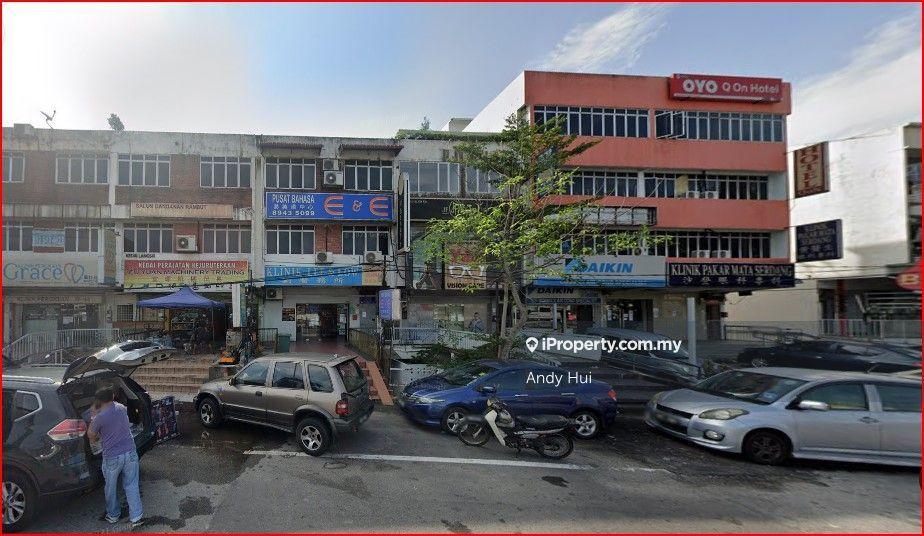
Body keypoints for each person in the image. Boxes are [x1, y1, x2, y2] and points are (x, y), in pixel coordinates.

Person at [87, 386, 145, 529]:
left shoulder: (99, 418)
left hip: (112, 457)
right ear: (113, 396)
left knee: (111, 488)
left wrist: (93, 415)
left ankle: (113, 515)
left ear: (99, 401)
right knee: (131, 485)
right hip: (130, 452)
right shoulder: (121, 408)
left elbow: (91, 437)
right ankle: (136, 516)